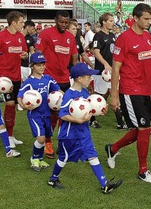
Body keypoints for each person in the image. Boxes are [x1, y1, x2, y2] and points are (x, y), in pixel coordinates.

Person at [104, 3, 151, 184]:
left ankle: (113, 148)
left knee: (143, 129)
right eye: (146, 19)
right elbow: (116, 68)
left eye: (150, 19)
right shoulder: (124, 38)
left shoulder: (148, 36)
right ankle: (143, 171)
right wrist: (114, 95)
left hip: (146, 88)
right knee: (143, 128)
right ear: (135, 18)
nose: (149, 22)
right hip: (130, 89)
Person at [48, 62, 123, 194]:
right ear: (79, 78)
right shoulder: (68, 95)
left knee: (92, 155)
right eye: (88, 77)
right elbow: (62, 114)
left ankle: (104, 184)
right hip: (69, 135)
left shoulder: (84, 92)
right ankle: (53, 179)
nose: (91, 79)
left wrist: (98, 111)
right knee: (63, 158)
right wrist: (78, 120)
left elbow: (88, 110)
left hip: (84, 132)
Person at [35, 11, 79, 158]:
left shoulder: (70, 38)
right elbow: (37, 54)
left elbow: (74, 60)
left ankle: (61, 143)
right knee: (52, 114)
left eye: (66, 22)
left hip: (65, 79)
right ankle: (47, 142)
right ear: (56, 20)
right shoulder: (46, 34)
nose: (63, 25)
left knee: (64, 114)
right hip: (49, 79)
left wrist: (79, 77)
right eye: (61, 22)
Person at [0, 11, 27, 148]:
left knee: (13, 106)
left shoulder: (20, 37)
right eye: (21, 22)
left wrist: (24, 55)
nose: (22, 25)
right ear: (13, 22)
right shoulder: (0, 37)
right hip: (4, 77)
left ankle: (10, 134)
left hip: (16, 76)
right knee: (10, 104)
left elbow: (23, 53)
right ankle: (7, 135)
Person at [18, 53, 59, 171]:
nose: (42, 67)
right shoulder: (29, 82)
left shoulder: (48, 79)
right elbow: (19, 97)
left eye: (43, 65)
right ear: (32, 66)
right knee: (40, 139)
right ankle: (34, 158)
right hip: (35, 114)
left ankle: (40, 159)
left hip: (47, 114)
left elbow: (58, 92)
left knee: (45, 138)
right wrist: (24, 106)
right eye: (38, 65)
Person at [90, 13, 126, 130]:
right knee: (99, 96)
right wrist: (105, 64)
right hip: (102, 72)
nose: (112, 23)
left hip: (113, 71)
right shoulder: (98, 36)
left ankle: (120, 122)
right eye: (110, 21)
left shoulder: (113, 36)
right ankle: (92, 119)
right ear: (104, 22)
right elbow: (96, 51)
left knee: (113, 94)